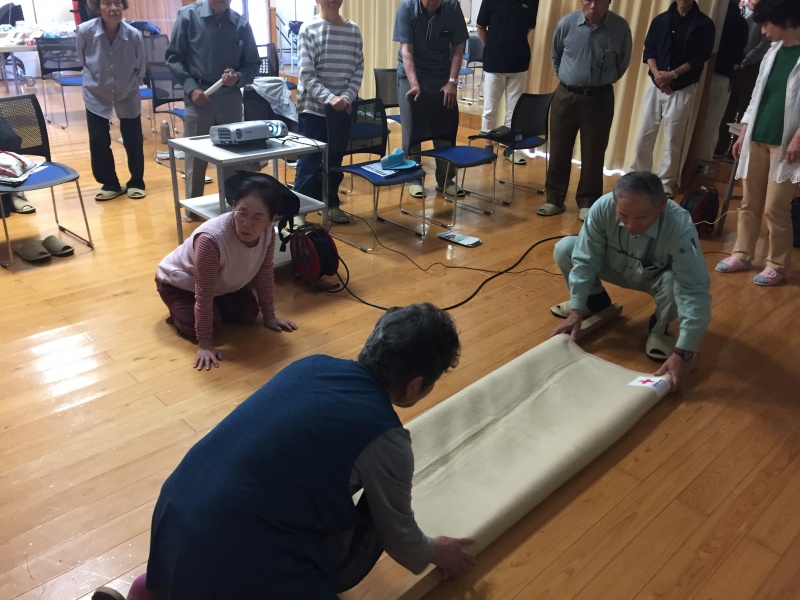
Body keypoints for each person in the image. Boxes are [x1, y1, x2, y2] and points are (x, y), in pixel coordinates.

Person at [91, 303, 475, 600]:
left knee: (208, 561)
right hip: (225, 548)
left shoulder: (312, 366)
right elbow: (399, 536)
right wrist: (436, 551)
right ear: (414, 385)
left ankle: (152, 591)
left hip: (175, 510)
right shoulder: (386, 438)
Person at [550, 171, 711, 391]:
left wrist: (683, 352)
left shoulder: (680, 226)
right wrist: (577, 310)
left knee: (676, 282)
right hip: (615, 267)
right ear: (615, 202)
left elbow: (693, 290)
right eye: (623, 215)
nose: (631, 226)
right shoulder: (602, 207)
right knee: (566, 248)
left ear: (662, 205)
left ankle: (660, 328)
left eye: (642, 218)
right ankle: (593, 303)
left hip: (655, 279)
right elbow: (585, 259)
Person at [155, 174, 298, 371]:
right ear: (233, 208)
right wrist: (205, 344)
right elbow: (204, 293)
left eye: (257, 217)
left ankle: (211, 312)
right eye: (241, 213)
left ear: (270, 221)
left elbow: (265, 273)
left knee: (249, 314)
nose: (247, 223)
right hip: (180, 284)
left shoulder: (267, 233)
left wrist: (269, 316)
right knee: (212, 328)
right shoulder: (210, 240)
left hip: (221, 285)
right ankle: (178, 313)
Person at [715, 0, 800, 286]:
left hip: (786, 145)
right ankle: (742, 254)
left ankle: (777, 264)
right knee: (749, 202)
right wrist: (743, 131)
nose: (763, 31)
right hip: (758, 137)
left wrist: (798, 137)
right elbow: (756, 96)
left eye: (766, 24)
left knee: (775, 207)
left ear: (786, 20)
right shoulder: (772, 52)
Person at [541, 0, 631, 221]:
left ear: (608, 2)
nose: (593, 6)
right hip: (565, 96)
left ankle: (588, 202)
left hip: (599, 99)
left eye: (599, 1)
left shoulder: (620, 28)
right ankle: (554, 199)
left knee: (594, 152)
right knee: (559, 149)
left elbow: (622, 62)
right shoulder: (566, 24)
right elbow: (555, 56)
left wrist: (600, 82)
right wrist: (570, 79)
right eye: (588, 0)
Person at [165, 0, 260, 205]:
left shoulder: (241, 24)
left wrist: (238, 77)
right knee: (195, 157)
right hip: (198, 96)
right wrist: (191, 88)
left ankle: (234, 206)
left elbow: (253, 64)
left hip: (229, 97)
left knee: (233, 155)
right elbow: (173, 58)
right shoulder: (188, 16)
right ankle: (193, 207)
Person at [629, 0, 715, 198]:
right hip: (655, 84)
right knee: (645, 132)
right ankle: (638, 176)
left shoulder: (704, 24)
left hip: (683, 87)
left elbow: (699, 58)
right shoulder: (660, 20)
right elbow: (649, 51)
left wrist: (673, 74)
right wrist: (658, 76)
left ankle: (666, 182)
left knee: (673, 137)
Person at [292, 0, 364, 225]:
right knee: (309, 162)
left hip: (342, 109)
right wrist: (330, 98)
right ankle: (299, 211)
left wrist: (347, 97)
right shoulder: (308, 29)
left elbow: (358, 69)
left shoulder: (353, 30)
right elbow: (306, 74)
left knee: (335, 161)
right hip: (313, 110)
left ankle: (331, 203)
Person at [393, 0, 469, 199]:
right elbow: (406, 51)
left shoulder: (452, 7)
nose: (432, 4)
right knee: (412, 129)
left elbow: (458, 48)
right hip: (412, 74)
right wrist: (414, 83)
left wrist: (452, 82)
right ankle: (413, 178)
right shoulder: (407, 8)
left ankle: (446, 180)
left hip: (442, 75)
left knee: (444, 129)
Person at [76, 0, 146, 201]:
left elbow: (141, 65)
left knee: (133, 139)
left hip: (127, 90)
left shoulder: (134, 34)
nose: (114, 8)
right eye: (107, 3)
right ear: (97, 7)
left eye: (118, 3)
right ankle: (110, 183)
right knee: (98, 139)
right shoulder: (85, 31)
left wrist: (131, 84)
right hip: (96, 91)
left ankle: (136, 182)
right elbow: (82, 59)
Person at [475, 0, 540, 165]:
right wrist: (493, 47)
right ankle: (488, 147)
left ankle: (509, 147)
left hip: (519, 63)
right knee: (490, 108)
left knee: (514, 110)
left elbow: (527, 28)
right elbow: (480, 27)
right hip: (494, 63)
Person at [715, 0, 772, 159]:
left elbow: (762, 46)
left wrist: (744, 62)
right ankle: (721, 149)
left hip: (749, 68)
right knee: (730, 109)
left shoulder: (764, 18)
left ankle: (732, 152)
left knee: (742, 110)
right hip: (739, 66)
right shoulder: (748, 14)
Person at [695, 0, 749, 162]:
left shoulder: (706, 15)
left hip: (696, 74)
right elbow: (739, 52)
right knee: (712, 122)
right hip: (722, 74)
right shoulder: (740, 22)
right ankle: (703, 162)